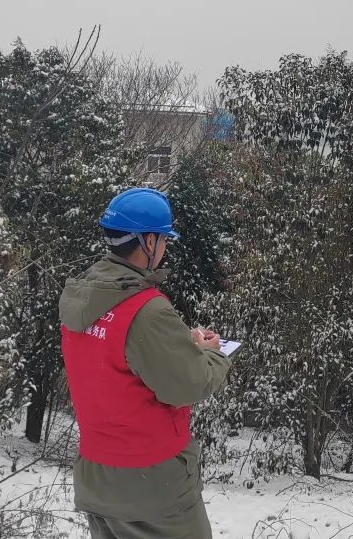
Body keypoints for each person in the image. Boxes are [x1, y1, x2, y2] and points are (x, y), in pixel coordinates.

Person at [59, 187, 234, 539]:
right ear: (149, 241)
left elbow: (114, 362)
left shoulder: (82, 297)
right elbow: (189, 384)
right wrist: (213, 353)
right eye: (165, 239)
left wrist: (178, 343)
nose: (165, 247)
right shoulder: (146, 310)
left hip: (97, 479)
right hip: (152, 488)